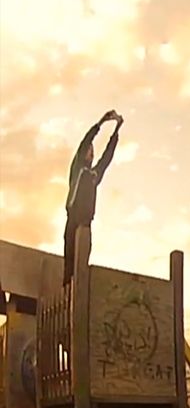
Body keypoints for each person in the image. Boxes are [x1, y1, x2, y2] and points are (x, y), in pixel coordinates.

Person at [63, 110, 124, 286]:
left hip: (86, 224)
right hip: (72, 220)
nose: (90, 151)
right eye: (89, 150)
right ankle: (67, 295)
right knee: (69, 264)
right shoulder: (77, 170)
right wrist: (102, 122)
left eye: (92, 150)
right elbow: (85, 142)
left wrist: (117, 130)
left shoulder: (94, 175)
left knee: (81, 267)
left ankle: (78, 292)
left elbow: (107, 158)